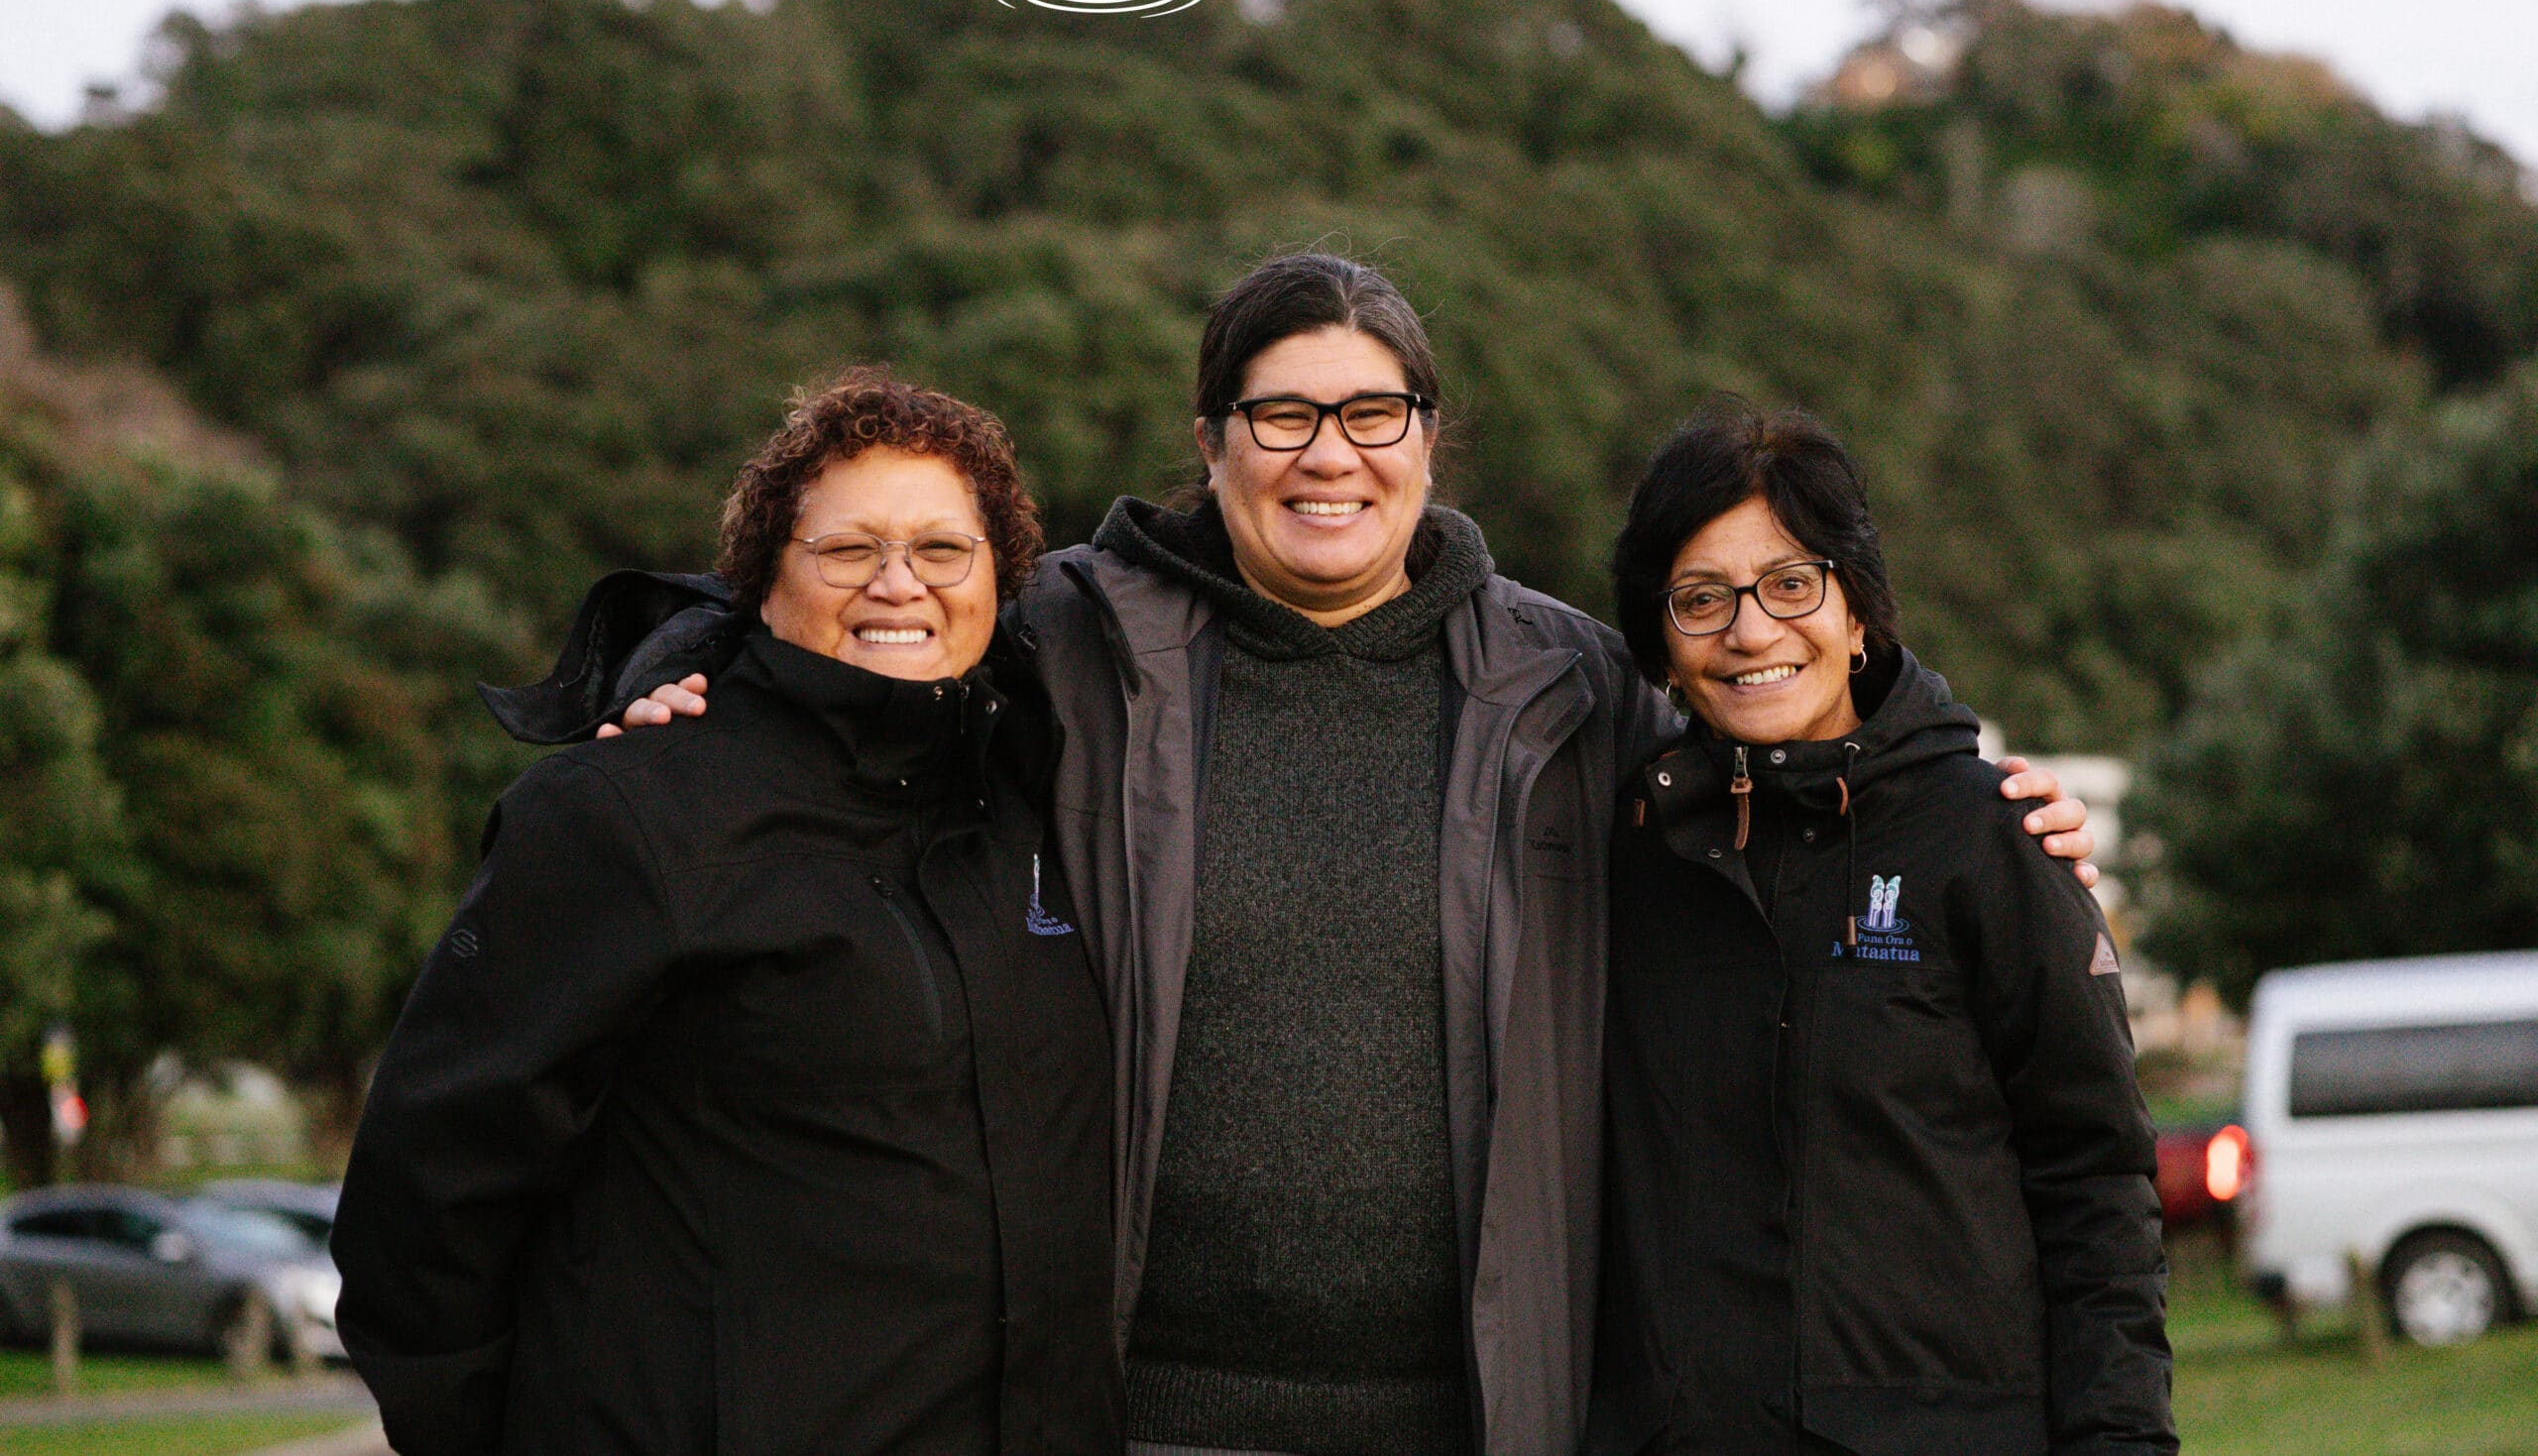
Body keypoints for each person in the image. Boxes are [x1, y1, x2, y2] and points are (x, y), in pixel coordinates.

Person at [546, 254, 2100, 1456]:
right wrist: (671, 683)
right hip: (1137, 1407)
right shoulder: (1074, 638)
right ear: (1213, 438)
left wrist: (1962, 779)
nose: (1327, 455)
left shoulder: (1570, 692)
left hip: (1480, 1413)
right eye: (1281, 413)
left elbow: (1792, 708)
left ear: (1427, 437)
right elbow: (868, 604)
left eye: (1372, 413)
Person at [330, 373, 1120, 1456]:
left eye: (944, 551)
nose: (901, 585)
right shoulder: (623, 813)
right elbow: (425, 1195)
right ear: (758, 582)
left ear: (999, 578)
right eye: (848, 551)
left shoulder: (1040, 796)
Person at [1589, 400, 2173, 1455]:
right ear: (1660, 649)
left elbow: (2095, 1185)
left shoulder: (1986, 840)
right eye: (1699, 599)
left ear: (1858, 611)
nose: (1750, 630)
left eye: (1789, 583)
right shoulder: (1620, 853)